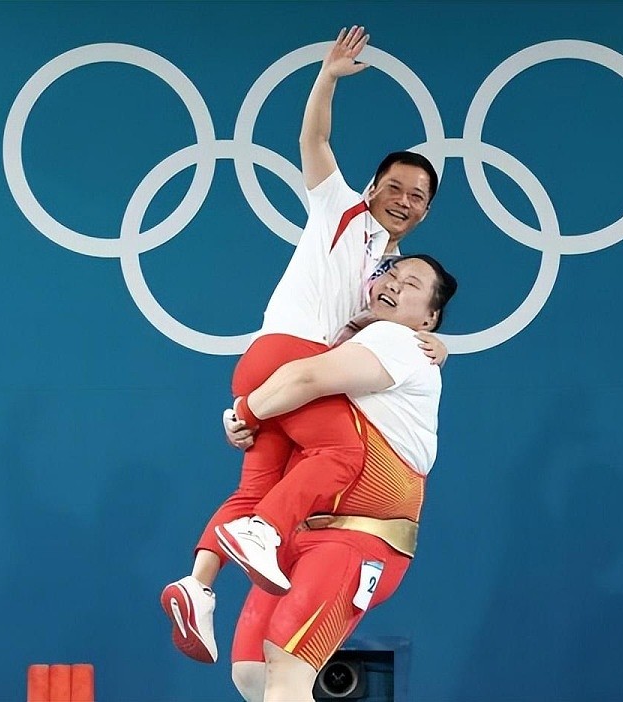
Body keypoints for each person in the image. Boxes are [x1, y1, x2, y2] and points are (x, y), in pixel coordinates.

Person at [160, 26, 443, 664]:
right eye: (394, 187)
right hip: (289, 355)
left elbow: (378, 335)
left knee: (258, 483)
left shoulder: (392, 274)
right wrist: (328, 77)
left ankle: (198, 586)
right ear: (372, 187)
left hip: (284, 370)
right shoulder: (340, 208)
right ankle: (262, 534)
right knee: (342, 454)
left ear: (425, 212)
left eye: (417, 197)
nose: (403, 201)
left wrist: (438, 345)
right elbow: (313, 139)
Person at [226, 254, 458, 702]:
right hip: (300, 536)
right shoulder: (354, 338)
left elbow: (305, 377)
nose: (393, 283)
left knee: (287, 673)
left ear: (429, 318)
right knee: (252, 674)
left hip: (357, 539)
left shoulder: (399, 340)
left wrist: (245, 410)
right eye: (389, 273)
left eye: (410, 283)